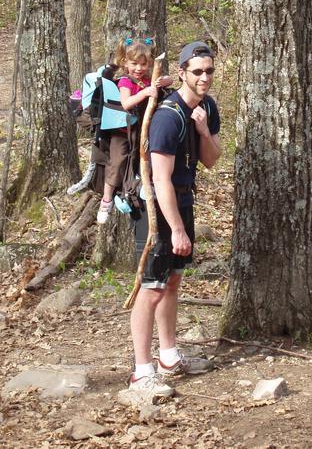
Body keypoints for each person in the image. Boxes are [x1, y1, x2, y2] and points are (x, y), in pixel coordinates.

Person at [128, 41, 221, 397]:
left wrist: (203, 132)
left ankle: (168, 356)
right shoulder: (168, 116)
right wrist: (177, 229)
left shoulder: (206, 108)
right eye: (197, 71)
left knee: (173, 283)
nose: (204, 77)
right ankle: (141, 369)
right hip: (154, 206)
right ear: (182, 72)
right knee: (151, 288)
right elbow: (158, 179)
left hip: (183, 200)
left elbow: (211, 159)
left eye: (209, 70)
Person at [97, 38, 173, 224]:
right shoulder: (125, 81)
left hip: (142, 131)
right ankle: (106, 200)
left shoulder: (149, 79)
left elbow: (169, 81)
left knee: (146, 160)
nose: (139, 68)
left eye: (143, 64)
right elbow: (126, 103)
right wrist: (144, 93)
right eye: (134, 64)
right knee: (117, 163)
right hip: (122, 132)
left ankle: (142, 189)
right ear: (125, 63)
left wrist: (165, 81)